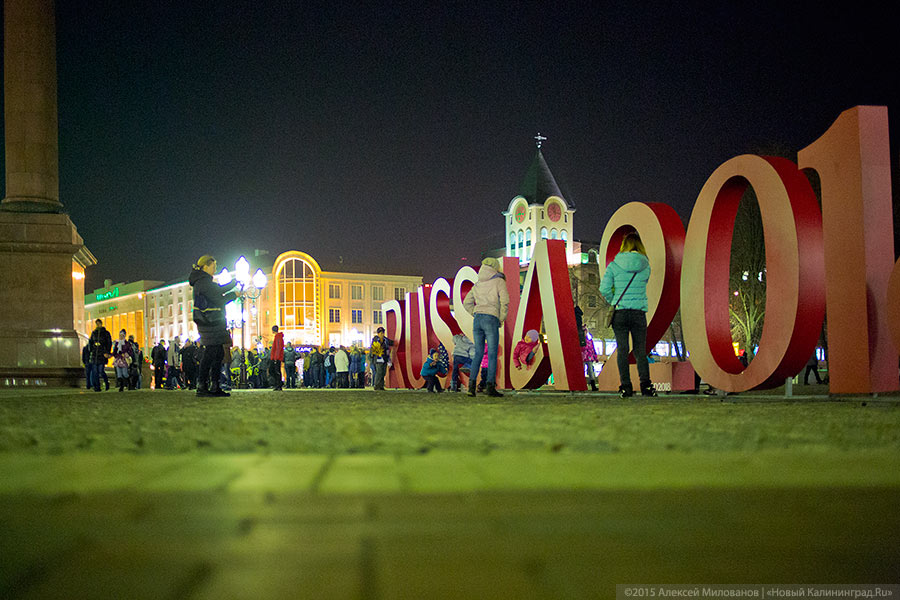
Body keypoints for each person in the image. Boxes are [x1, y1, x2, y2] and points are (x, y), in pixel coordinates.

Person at [599, 231, 656, 398]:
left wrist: (614, 299)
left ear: (624, 246)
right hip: (638, 312)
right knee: (640, 351)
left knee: (622, 350)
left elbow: (604, 289)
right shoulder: (646, 266)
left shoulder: (614, 265)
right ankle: (646, 386)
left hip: (620, 312)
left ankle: (626, 387)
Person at [189, 255, 240, 397]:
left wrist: (233, 283)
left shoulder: (203, 281)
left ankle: (213, 385)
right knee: (211, 353)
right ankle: (204, 385)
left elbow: (217, 290)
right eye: (213, 266)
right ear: (205, 266)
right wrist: (234, 294)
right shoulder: (204, 282)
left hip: (210, 322)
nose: (215, 269)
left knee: (217, 353)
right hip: (210, 322)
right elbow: (219, 299)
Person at [463, 257, 509, 397]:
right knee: (492, 354)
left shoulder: (477, 284)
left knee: (478, 354)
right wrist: (500, 318)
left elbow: (467, 302)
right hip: (491, 318)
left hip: (478, 319)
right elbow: (505, 301)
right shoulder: (499, 281)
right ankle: (490, 387)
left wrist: (475, 312)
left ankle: (471, 386)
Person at [88, 319, 112, 392]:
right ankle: (97, 387)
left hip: (102, 354)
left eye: (99, 323)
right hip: (95, 354)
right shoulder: (94, 333)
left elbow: (109, 343)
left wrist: (107, 352)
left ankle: (106, 383)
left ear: (101, 324)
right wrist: (91, 350)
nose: (98, 325)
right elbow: (90, 342)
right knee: (95, 371)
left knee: (101, 371)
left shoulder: (106, 333)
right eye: (96, 324)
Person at [582, 326, 599, 391]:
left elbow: (593, 349)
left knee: (591, 372)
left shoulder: (589, 340)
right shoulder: (584, 340)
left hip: (588, 358)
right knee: (585, 371)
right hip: (584, 358)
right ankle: (589, 385)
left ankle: (593, 385)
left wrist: (595, 357)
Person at [269, 325, 284, 391]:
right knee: (275, 371)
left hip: (276, 358)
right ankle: (278, 384)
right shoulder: (278, 337)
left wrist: (276, 357)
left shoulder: (278, 337)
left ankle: (278, 384)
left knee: (274, 371)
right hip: (276, 357)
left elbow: (278, 348)